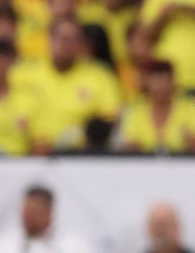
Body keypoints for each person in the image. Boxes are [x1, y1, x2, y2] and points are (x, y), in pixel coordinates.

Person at [11, 16, 121, 153]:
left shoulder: (100, 75)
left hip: (80, 155)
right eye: (63, 39)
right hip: (24, 152)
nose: (67, 45)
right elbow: (8, 111)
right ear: (49, 40)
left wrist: (82, 138)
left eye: (74, 40)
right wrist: (35, 140)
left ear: (82, 43)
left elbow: (109, 118)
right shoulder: (23, 73)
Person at [117, 59, 195, 155]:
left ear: (173, 84)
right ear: (147, 85)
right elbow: (129, 147)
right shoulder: (136, 109)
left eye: (163, 85)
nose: (160, 90)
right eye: (156, 87)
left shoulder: (191, 107)